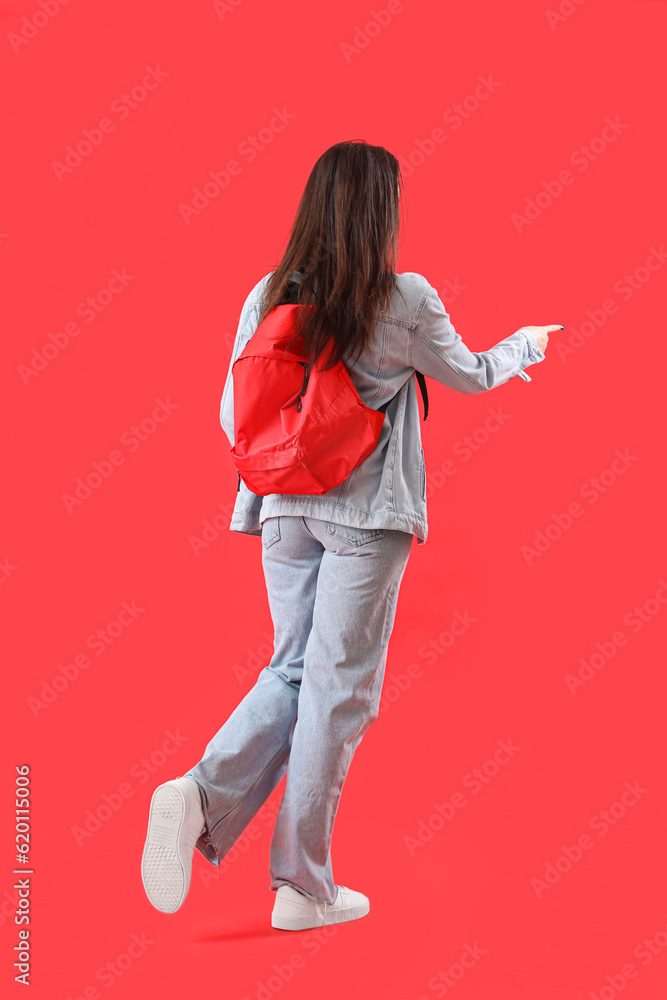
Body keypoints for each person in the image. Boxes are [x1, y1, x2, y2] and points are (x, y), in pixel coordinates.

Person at [140, 140, 561, 930]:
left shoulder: (267, 294)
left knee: (293, 671)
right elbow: (467, 373)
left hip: (281, 508)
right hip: (365, 517)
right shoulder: (399, 297)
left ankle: (198, 795)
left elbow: (232, 415)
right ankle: (302, 889)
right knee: (336, 695)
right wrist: (526, 346)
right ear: (382, 211)